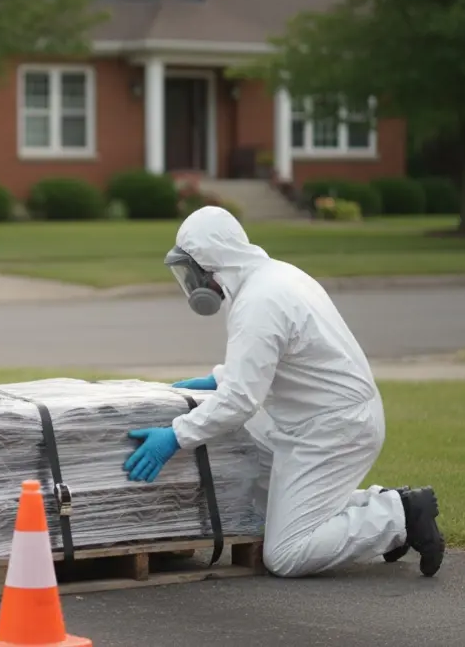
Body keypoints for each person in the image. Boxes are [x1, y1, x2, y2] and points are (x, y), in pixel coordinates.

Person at [122, 206, 444, 579]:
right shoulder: (271, 278)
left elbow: (240, 401)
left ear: (210, 265)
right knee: (248, 469)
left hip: (337, 429)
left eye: (191, 272)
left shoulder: (259, 301)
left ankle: (398, 516)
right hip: (314, 418)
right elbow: (273, 359)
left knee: (286, 553)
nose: (192, 284)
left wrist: (176, 436)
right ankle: (384, 507)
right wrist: (220, 379)